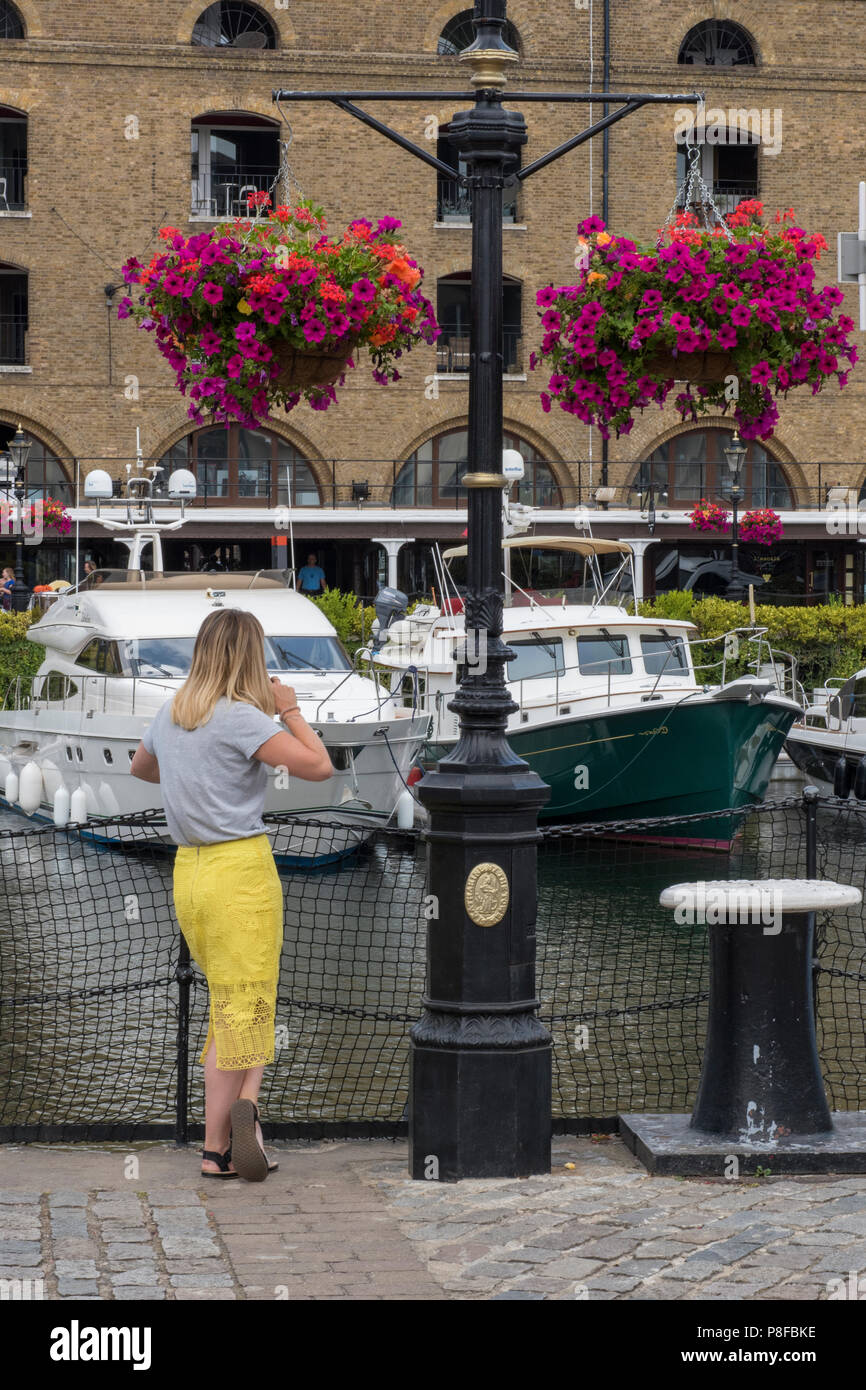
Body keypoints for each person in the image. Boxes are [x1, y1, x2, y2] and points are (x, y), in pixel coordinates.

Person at [130, 609, 333, 1181]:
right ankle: (219, 1146)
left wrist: (192, 773)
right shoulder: (242, 718)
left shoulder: (172, 713)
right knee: (246, 1004)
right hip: (240, 872)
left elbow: (142, 768)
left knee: (231, 1004)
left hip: (189, 875)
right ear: (249, 656)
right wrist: (289, 708)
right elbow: (319, 767)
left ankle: (248, 1119)